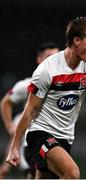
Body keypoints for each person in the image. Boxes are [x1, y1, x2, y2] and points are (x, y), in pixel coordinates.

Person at [6, 17, 86, 179]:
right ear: (77, 41)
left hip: (65, 139)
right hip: (40, 134)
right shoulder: (47, 70)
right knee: (72, 172)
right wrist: (14, 147)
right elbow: (30, 110)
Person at [0, 42, 59, 179]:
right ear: (39, 59)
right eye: (49, 56)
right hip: (34, 146)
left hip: (57, 141)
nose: (54, 61)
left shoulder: (65, 85)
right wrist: (10, 126)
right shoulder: (28, 85)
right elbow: (6, 102)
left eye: (57, 57)